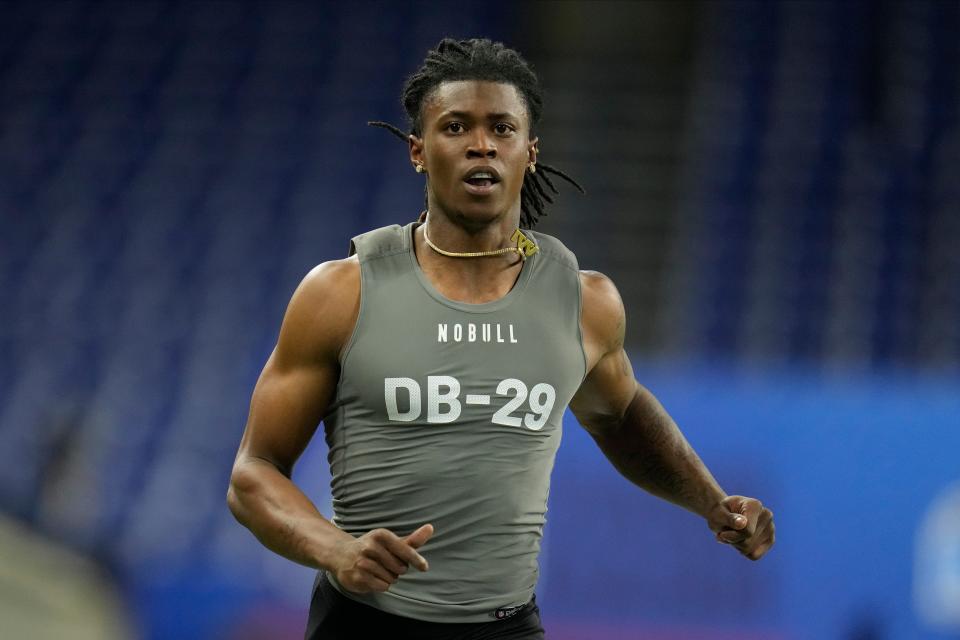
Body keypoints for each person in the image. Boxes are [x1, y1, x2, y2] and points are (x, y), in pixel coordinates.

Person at [227, 38, 775, 640]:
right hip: (364, 622)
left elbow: (620, 417)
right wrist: (335, 549)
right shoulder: (341, 292)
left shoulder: (584, 302)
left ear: (529, 152)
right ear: (418, 150)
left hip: (507, 626)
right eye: (456, 126)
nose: (481, 144)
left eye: (502, 128)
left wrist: (714, 505)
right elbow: (254, 474)